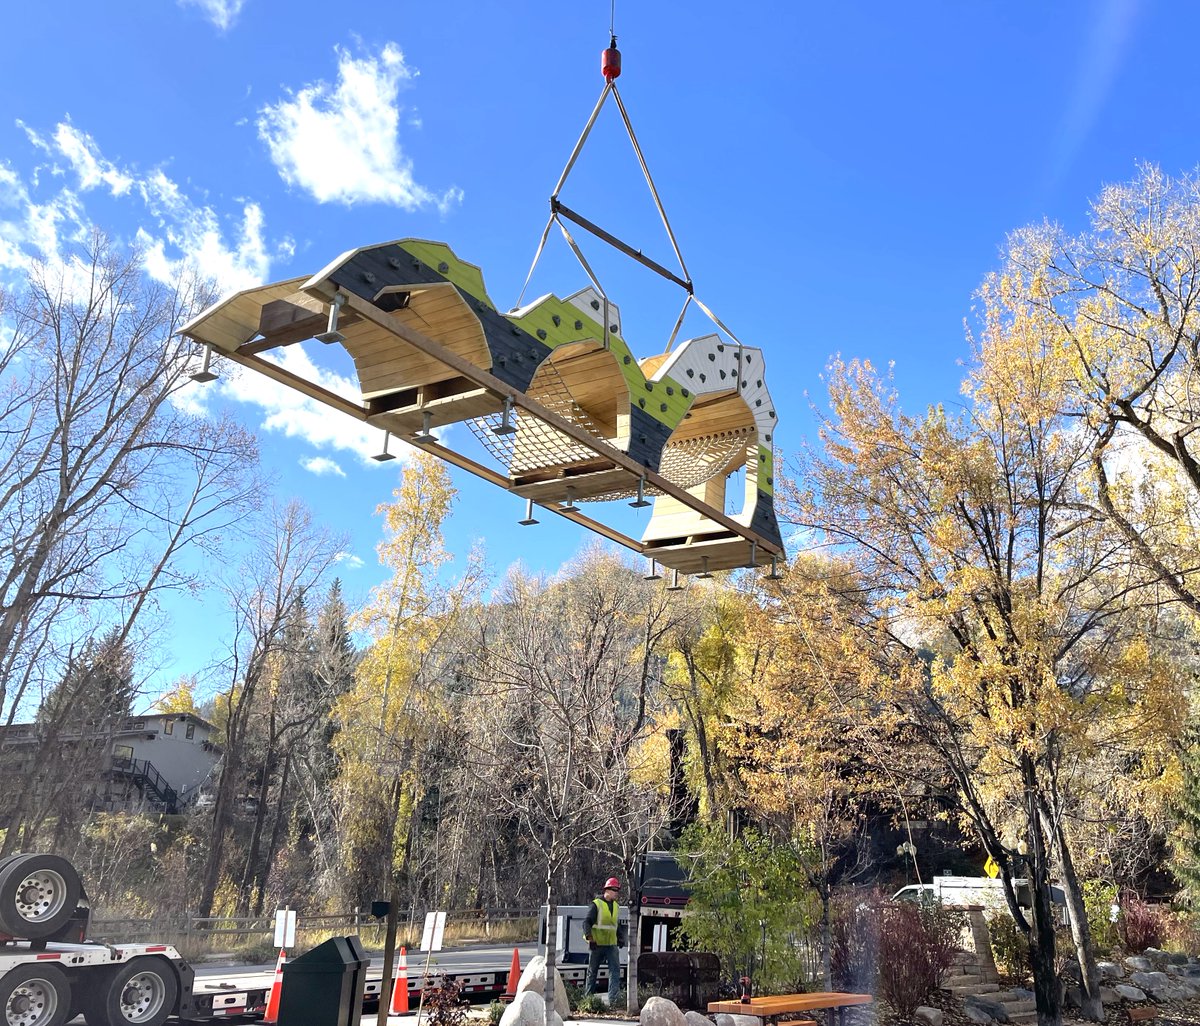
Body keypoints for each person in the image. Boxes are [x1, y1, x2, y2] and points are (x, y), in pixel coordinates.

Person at [583, 876, 624, 1005]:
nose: (616, 893)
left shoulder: (616, 906)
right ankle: (588, 999)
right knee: (592, 972)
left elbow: (614, 925)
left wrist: (620, 938)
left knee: (615, 971)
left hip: (611, 945)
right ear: (607, 890)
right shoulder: (596, 904)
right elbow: (587, 922)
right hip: (597, 944)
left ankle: (614, 1000)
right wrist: (590, 938)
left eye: (617, 890)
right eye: (614, 890)